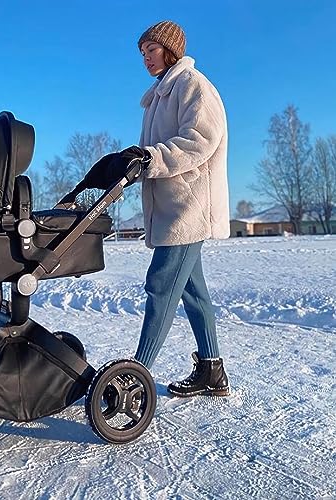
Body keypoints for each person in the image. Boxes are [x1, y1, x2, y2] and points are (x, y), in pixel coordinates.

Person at [101, 20, 231, 397]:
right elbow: (153, 154)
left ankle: (134, 377)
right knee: (191, 290)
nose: (146, 58)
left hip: (190, 206)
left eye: (152, 50)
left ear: (170, 50)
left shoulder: (193, 85)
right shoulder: (158, 97)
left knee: (161, 284)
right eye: (142, 53)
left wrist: (152, 158)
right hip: (172, 205)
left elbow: (200, 139)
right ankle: (212, 371)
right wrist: (133, 164)